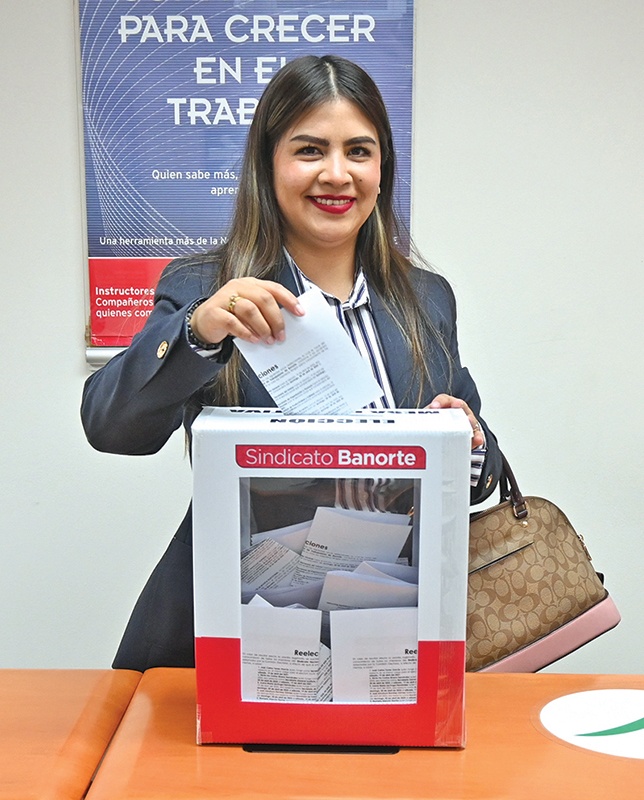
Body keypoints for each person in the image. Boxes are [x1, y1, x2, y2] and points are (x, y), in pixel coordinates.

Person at [81, 54, 502, 672]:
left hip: (385, 634)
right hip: (233, 629)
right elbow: (111, 427)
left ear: (382, 168)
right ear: (269, 164)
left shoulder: (426, 299)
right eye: (310, 150)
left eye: (358, 151)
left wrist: (470, 442)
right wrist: (199, 330)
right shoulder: (206, 288)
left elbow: (479, 472)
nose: (337, 174)